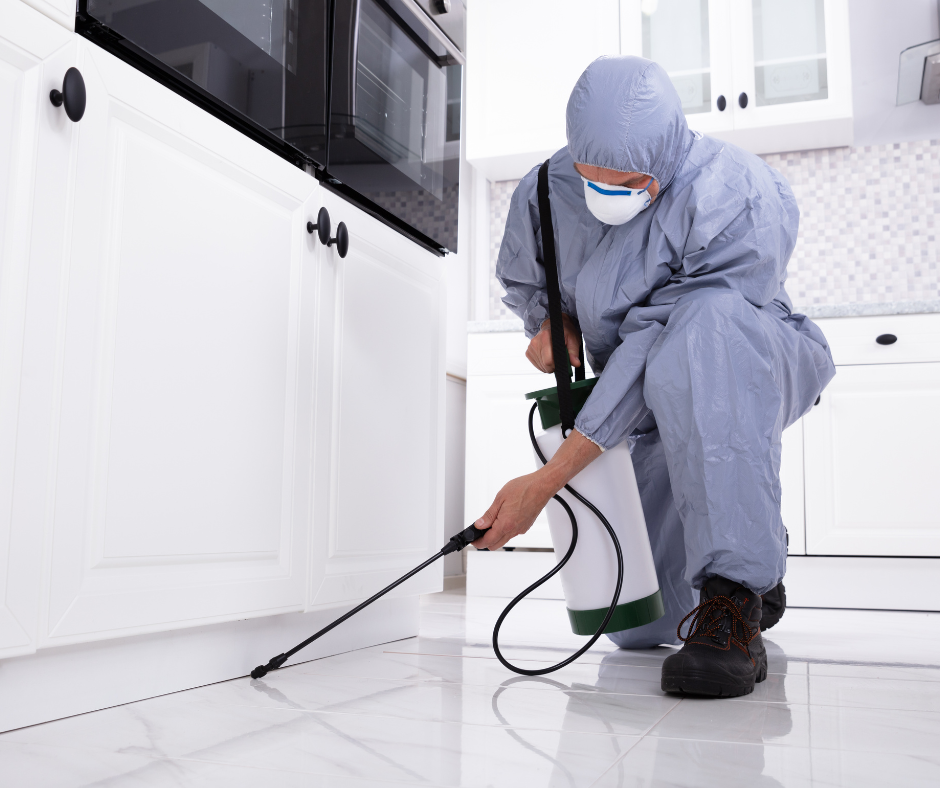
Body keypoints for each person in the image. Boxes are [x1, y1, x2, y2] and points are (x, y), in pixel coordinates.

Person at [472, 56, 835, 698]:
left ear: (666, 156)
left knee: (704, 327)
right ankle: (754, 550)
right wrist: (552, 321)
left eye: (630, 181)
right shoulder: (542, 191)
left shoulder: (738, 190)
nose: (607, 192)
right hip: (644, 399)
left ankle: (735, 594)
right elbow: (532, 280)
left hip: (743, 359)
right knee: (636, 626)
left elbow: (660, 346)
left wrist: (550, 479)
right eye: (592, 177)